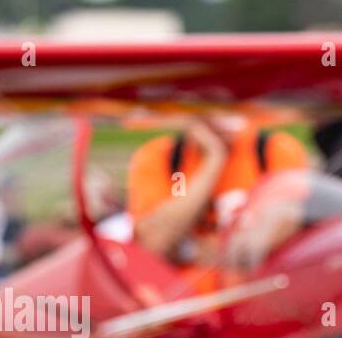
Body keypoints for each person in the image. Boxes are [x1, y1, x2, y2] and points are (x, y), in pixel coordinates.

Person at [126, 117, 308, 276]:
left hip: (253, 299)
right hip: (181, 300)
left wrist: (187, 249)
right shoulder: (163, 156)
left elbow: (287, 234)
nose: (220, 117)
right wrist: (213, 159)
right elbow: (153, 242)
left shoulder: (274, 150)